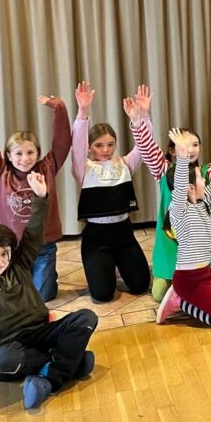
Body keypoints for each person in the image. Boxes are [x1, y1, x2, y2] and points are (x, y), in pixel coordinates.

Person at [0, 174, 98, 410]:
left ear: (11, 253)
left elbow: (33, 232)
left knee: (86, 318)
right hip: (2, 346)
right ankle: (68, 363)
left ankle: (49, 378)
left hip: (39, 334)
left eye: (4, 254)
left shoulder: (20, 265)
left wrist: (41, 197)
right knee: (5, 361)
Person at [0, 85, 70, 302]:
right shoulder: (0, 171)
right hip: (12, 248)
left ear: (38, 153)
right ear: (9, 155)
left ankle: (47, 276)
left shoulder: (47, 167)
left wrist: (59, 108)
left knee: (43, 297)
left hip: (43, 246)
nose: (25, 158)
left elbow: (62, 142)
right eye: (18, 153)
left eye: (30, 152)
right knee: (16, 295)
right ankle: (36, 276)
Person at [127, 85, 211, 302]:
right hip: (172, 242)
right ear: (172, 150)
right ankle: (185, 291)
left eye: (195, 144)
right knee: (159, 294)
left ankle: (191, 293)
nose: (190, 149)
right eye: (183, 145)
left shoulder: (206, 171)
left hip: (201, 241)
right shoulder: (164, 169)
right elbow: (147, 148)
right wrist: (138, 120)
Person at [71, 81, 151, 302]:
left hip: (123, 234)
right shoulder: (83, 168)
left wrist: (142, 118)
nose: (105, 150)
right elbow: (77, 145)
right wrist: (83, 112)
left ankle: (118, 263)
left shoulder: (124, 164)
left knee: (141, 285)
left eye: (110, 144)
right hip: (96, 238)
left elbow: (145, 147)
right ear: (89, 147)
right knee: (103, 295)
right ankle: (104, 265)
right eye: (99, 145)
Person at [156, 127, 211, 326]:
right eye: (201, 179)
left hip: (207, 272)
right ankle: (181, 302)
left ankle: (195, 298)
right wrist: (182, 156)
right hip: (189, 280)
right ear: (190, 188)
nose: (205, 180)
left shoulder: (203, 200)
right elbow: (180, 186)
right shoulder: (178, 209)